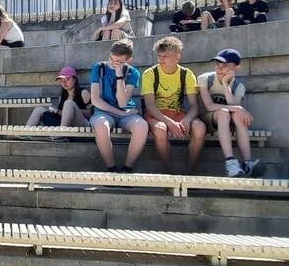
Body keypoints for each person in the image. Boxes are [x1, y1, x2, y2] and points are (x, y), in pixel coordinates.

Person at [142, 35, 205, 174]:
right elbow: (150, 106)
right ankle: (169, 171)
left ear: (177, 57)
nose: (161, 60)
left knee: (200, 128)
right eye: (159, 56)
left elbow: (195, 106)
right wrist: (169, 123)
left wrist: (187, 119)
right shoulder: (150, 73)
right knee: (160, 129)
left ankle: (190, 171)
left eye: (165, 56)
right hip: (156, 115)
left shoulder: (187, 74)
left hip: (178, 113)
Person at [197, 49, 258, 177]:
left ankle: (247, 163)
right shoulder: (205, 79)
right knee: (226, 112)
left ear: (236, 68)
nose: (219, 68)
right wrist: (238, 108)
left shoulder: (238, 87)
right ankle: (230, 162)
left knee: (237, 115)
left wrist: (225, 84)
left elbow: (234, 107)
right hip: (206, 119)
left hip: (226, 122)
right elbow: (209, 106)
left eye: (225, 65)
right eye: (217, 64)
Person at [89, 41, 147, 172]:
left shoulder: (133, 73)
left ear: (128, 60)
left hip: (126, 112)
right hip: (104, 112)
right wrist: (120, 113)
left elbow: (122, 103)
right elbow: (95, 100)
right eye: (111, 58)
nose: (113, 63)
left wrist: (119, 76)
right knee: (101, 125)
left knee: (142, 126)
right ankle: (111, 169)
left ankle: (127, 169)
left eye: (118, 62)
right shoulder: (98, 67)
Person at [26, 66, 91, 128]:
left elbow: (92, 114)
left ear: (74, 79)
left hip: (80, 124)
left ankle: (61, 133)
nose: (64, 83)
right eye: (61, 80)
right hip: (64, 123)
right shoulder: (62, 95)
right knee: (39, 109)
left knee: (69, 103)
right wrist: (57, 112)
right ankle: (26, 133)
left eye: (67, 79)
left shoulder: (83, 92)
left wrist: (70, 111)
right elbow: (61, 113)